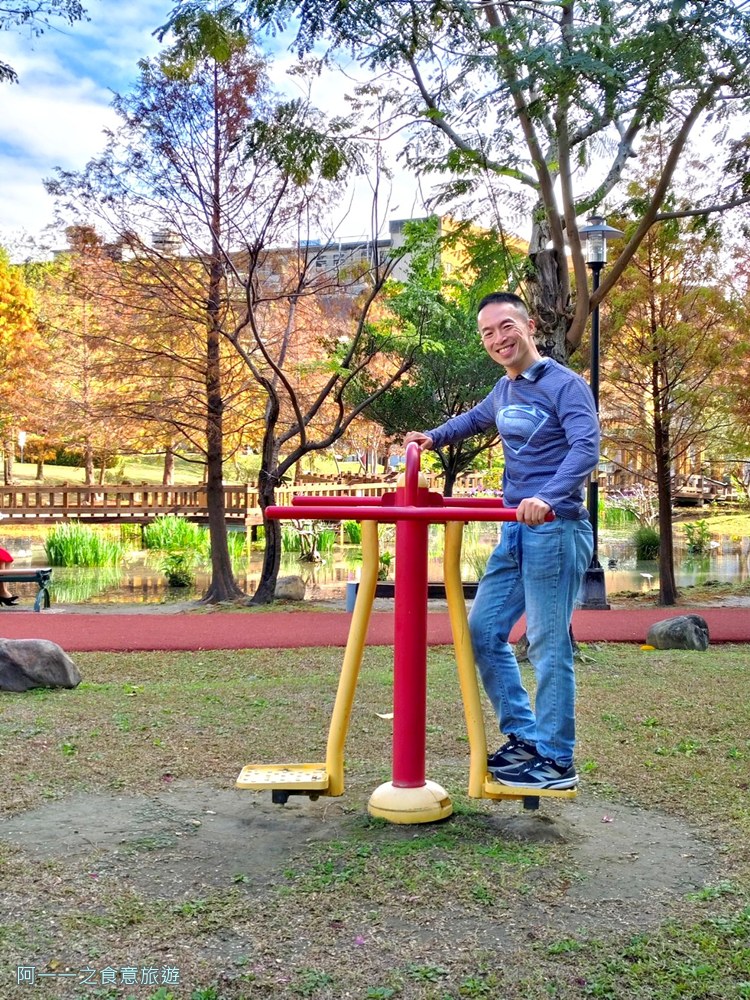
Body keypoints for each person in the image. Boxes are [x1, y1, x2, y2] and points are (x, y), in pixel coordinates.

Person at [404, 292, 599, 790]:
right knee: (482, 633)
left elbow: (586, 447)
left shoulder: (564, 385)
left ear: (529, 325)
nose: (498, 339)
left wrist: (549, 497)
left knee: (548, 644)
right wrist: (431, 437)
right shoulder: (505, 389)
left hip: (555, 529)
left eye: (506, 326)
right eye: (488, 333)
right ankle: (525, 738)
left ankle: (557, 760)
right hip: (516, 530)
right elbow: (473, 420)